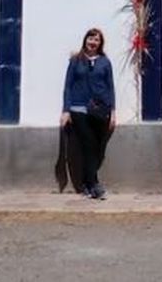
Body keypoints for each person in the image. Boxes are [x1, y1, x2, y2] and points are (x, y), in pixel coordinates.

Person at [60, 28, 116, 199]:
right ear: (85, 40)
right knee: (89, 144)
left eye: (97, 40)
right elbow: (68, 86)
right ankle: (94, 185)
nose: (93, 42)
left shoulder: (105, 62)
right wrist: (66, 110)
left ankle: (86, 183)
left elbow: (110, 87)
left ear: (100, 44)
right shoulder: (76, 60)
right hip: (79, 110)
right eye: (90, 38)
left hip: (100, 110)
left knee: (96, 148)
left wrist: (113, 111)